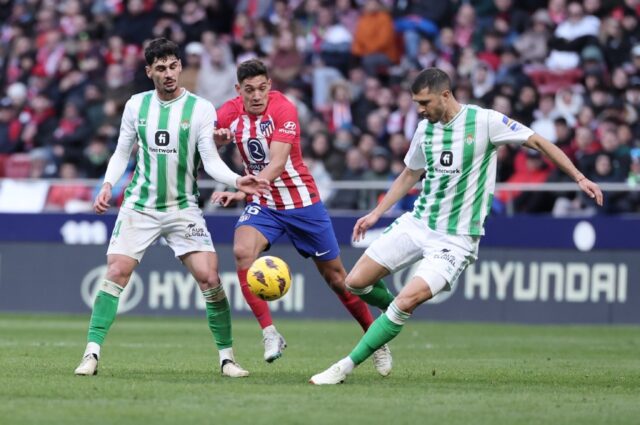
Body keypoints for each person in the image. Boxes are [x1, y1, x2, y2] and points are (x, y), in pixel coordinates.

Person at [309, 67, 604, 385]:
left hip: (456, 239)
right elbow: (410, 174)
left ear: (445, 95)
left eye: (425, 102)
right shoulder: (425, 129)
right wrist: (376, 213)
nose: (420, 110)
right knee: (355, 282)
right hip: (419, 222)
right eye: (416, 103)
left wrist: (579, 177)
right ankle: (382, 334)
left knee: (405, 301)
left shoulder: (486, 121)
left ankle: (344, 367)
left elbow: (539, 142)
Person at [73, 38, 269, 379]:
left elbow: (210, 161)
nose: (168, 73)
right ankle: (91, 354)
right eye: (160, 68)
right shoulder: (136, 106)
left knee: (209, 276)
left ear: (181, 67)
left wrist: (238, 181)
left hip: (183, 208)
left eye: (173, 66)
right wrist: (107, 184)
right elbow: (122, 152)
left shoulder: (201, 109)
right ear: (149, 71)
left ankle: (227, 359)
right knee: (117, 271)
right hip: (141, 204)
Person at [210, 59, 392, 376]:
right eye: (249, 90)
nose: (256, 95)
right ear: (239, 90)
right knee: (241, 251)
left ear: (270, 85)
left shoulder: (283, 109)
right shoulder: (228, 112)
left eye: (262, 88)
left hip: (302, 203)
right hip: (265, 206)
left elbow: (278, 163)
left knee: (338, 280)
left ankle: (374, 338)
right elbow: (203, 139)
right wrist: (216, 138)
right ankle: (270, 334)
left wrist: (241, 190)